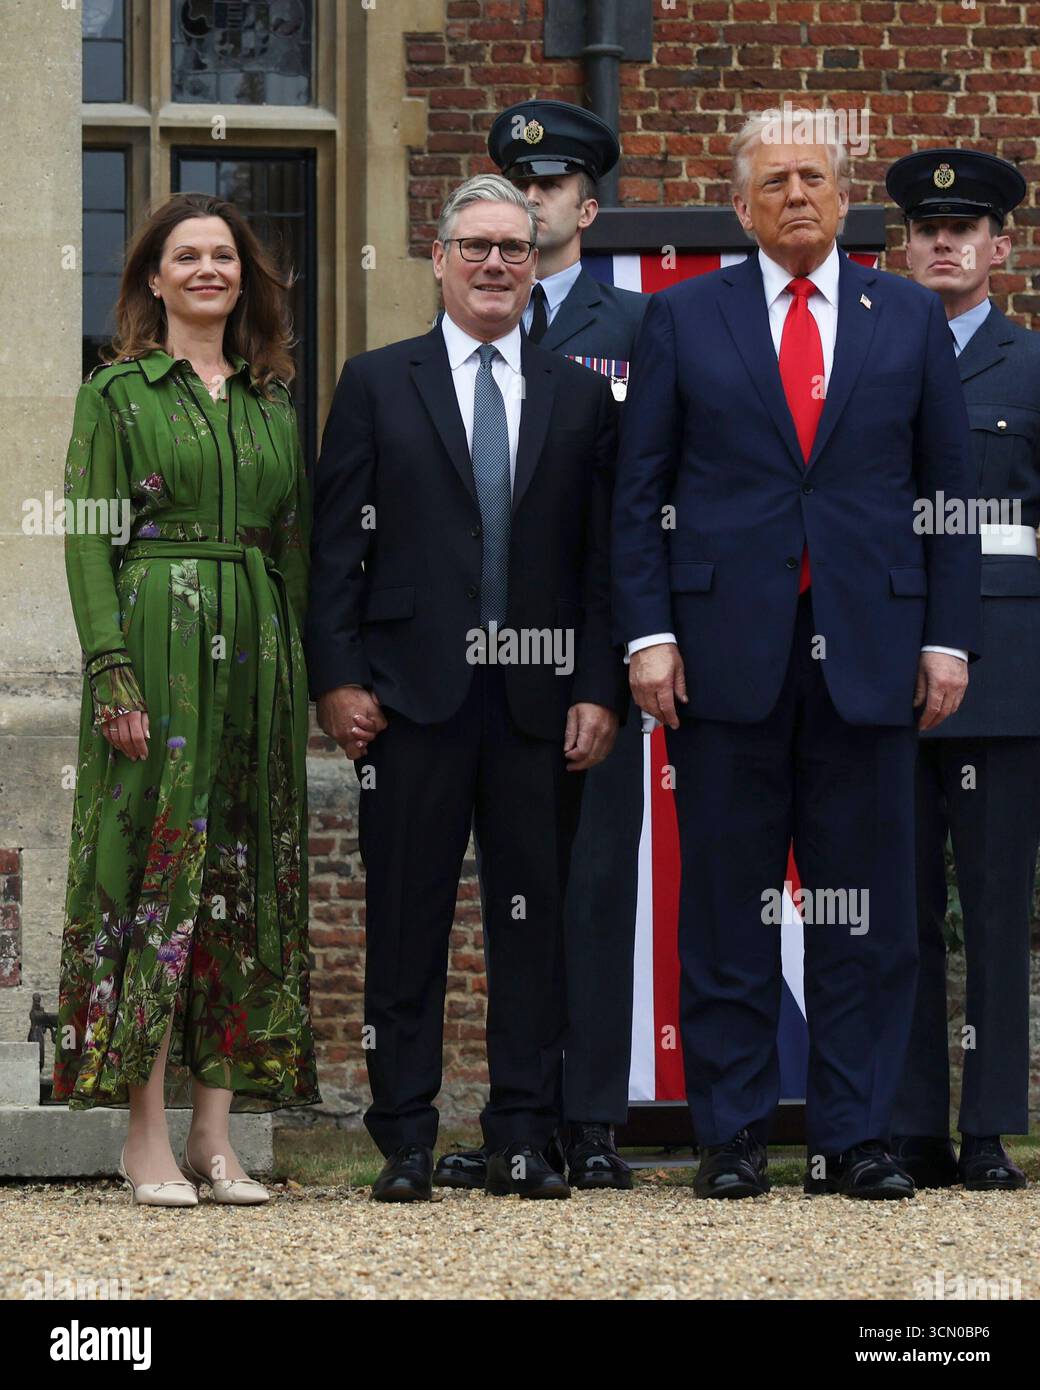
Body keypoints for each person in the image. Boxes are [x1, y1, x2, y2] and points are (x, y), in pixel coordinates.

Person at [612, 112, 982, 1200]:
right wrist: (647, 633)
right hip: (722, 659)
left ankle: (852, 1137)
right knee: (725, 908)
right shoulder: (681, 319)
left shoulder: (906, 317)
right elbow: (641, 495)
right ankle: (728, 1138)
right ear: (740, 205)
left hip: (869, 655)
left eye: (812, 178)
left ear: (843, 196)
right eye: (771, 182)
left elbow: (946, 495)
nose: (794, 197)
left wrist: (946, 636)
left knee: (860, 914)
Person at [306, 174, 627, 1202]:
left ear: (534, 268)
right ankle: (402, 1136)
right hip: (412, 699)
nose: (495, 264)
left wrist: (595, 688)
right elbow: (329, 553)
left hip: (536, 704)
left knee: (530, 928)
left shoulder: (577, 391)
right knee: (405, 923)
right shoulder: (373, 381)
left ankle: (522, 1134)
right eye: (476, 246)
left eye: (514, 249)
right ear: (438, 259)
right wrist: (339, 679)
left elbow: (601, 561)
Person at [52, 192, 319, 1206]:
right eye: (186, 256)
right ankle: (145, 1133)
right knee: (157, 875)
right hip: (155, 642)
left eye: (223, 256)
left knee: (239, 886)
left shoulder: (270, 400)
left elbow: (290, 546)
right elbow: (85, 536)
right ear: (153, 280)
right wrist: (108, 666)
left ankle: (216, 1133)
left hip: (255, 647)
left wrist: (291, 668)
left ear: (243, 278)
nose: (208, 269)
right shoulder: (115, 393)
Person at [432, 101, 647, 1195]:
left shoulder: (632, 329)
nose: (532, 204)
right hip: (480, 672)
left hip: (585, 660)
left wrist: (615, 663)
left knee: (595, 886)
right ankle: (515, 1116)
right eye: (516, 188)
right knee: (507, 899)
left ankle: (593, 1117)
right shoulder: (472, 318)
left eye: (553, 189)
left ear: (587, 206)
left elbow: (638, 509)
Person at [886, 148, 1035, 1192]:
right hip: (880, 670)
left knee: (989, 913)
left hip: (1005, 669)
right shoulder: (867, 355)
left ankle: (985, 1128)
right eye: (927, 227)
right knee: (890, 914)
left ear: (999, 245)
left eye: (964, 226)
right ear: (903, 245)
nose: (943, 241)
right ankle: (903, 1129)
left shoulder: (1032, 366)